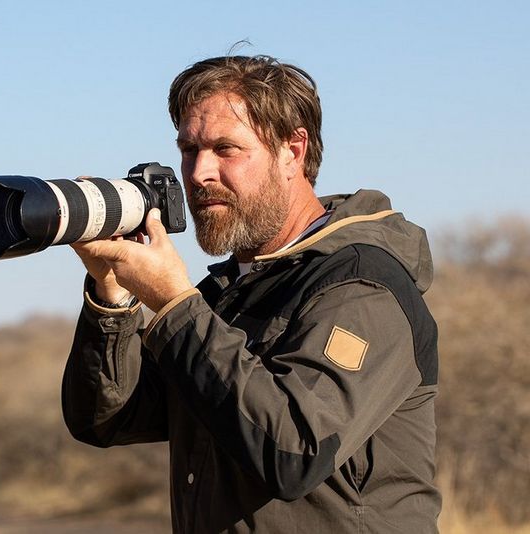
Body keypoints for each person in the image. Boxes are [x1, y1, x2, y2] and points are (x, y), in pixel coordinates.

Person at [61, 55, 441, 533]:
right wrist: (112, 297)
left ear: (293, 150)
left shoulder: (361, 286)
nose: (199, 173)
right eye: (189, 149)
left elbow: (294, 451)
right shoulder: (228, 292)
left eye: (226, 148)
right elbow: (107, 421)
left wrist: (175, 305)